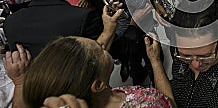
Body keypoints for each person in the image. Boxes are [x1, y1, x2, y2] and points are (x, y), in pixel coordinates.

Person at [4, 36, 175, 108]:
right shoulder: (149, 103)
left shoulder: (96, 93)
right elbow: (170, 103)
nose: (101, 45)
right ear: (98, 84)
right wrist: (156, 62)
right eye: (99, 50)